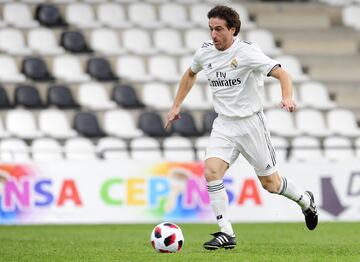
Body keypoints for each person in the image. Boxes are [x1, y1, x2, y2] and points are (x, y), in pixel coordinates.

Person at [164, 5, 318, 250]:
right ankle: (226, 232)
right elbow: (190, 74)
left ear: (232, 30)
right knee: (211, 172)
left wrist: (287, 97)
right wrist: (176, 105)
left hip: (251, 124)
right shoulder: (205, 52)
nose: (213, 35)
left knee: (272, 185)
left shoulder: (247, 53)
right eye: (211, 29)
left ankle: (306, 201)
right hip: (224, 124)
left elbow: (283, 73)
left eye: (219, 29)